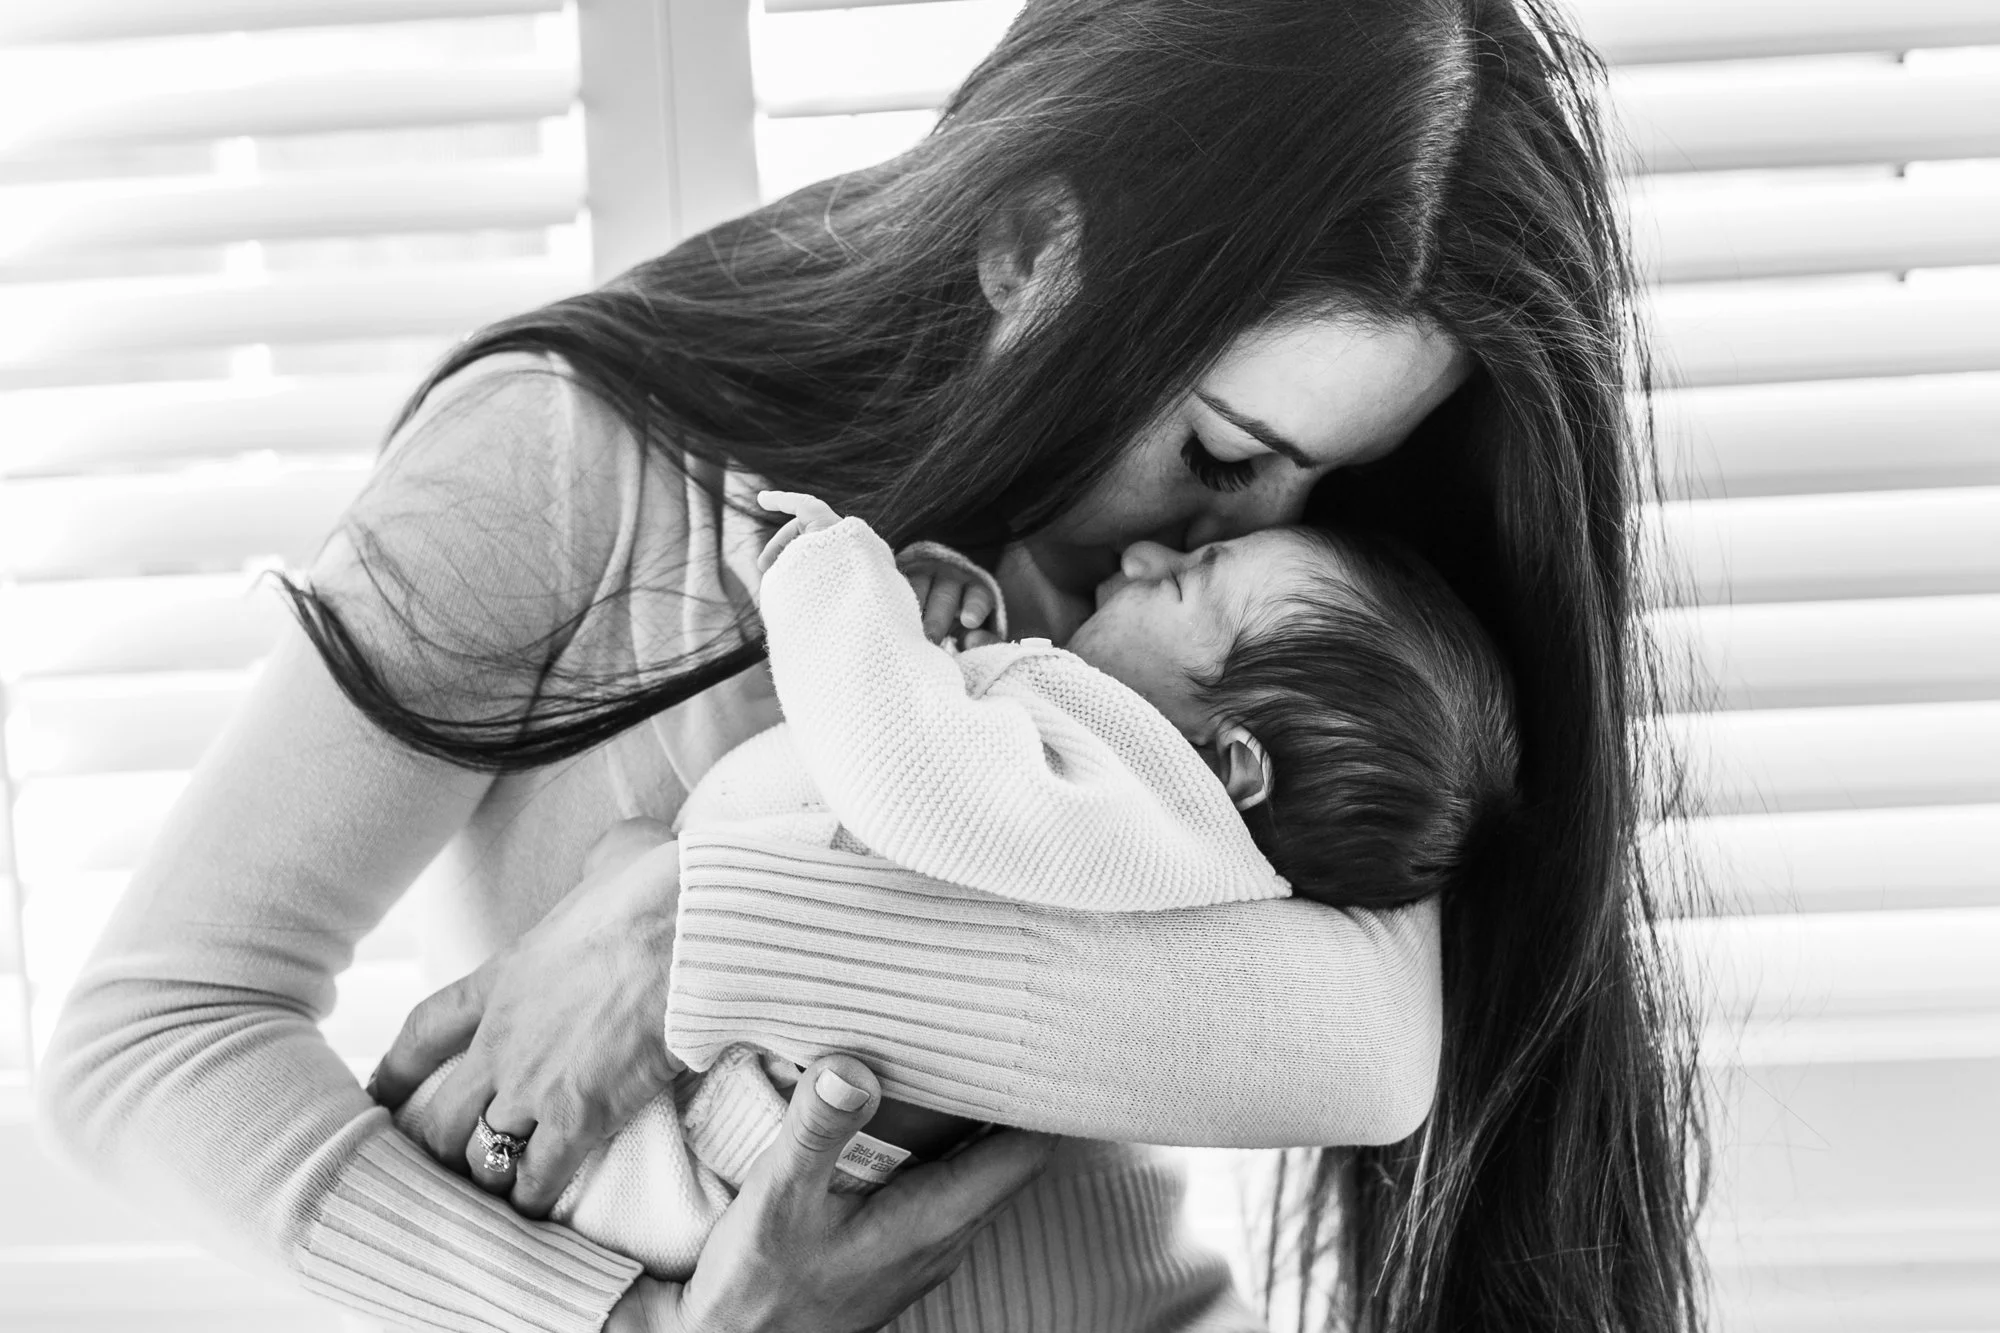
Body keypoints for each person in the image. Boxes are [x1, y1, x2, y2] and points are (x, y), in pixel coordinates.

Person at [39, 1, 1706, 1331]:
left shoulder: (1261, 638)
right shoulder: (567, 462)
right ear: (1028, 252)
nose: (1256, 532)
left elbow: (1361, 1049)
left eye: (1329, 480)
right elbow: (149, 1033)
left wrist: (690, 919)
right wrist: (623, 1321)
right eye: (1219, 454)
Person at [389, 489, 1519, 1278]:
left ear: (1231, 761)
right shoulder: (1132, 824)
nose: (1144, 558)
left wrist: (826, 571)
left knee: (433, 1149)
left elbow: (899, 778)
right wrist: (944, 661)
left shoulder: (1131, 803)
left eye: (1184, 586)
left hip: (713, 1145)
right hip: (733, 1124)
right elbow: (944, 807)